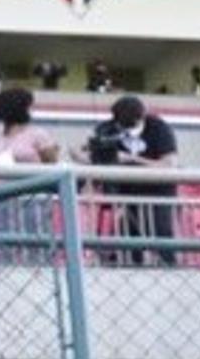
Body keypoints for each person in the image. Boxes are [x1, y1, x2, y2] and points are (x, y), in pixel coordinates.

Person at [76, 95, 179, 267]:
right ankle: (129, 264)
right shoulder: (107, 129)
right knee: (128, 234)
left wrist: (131, 159)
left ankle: (168, 265)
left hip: (157, 191)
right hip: (123, 192)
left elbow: (169, 164)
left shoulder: (159, 128)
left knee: (162, 231)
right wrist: (95, 158)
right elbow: (84, 153)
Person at [0, 87, 61, 262]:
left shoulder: (38, 134)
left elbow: (51, 162)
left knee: (36, 239)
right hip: (3, 196)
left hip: (33, 197)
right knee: (3, 238)